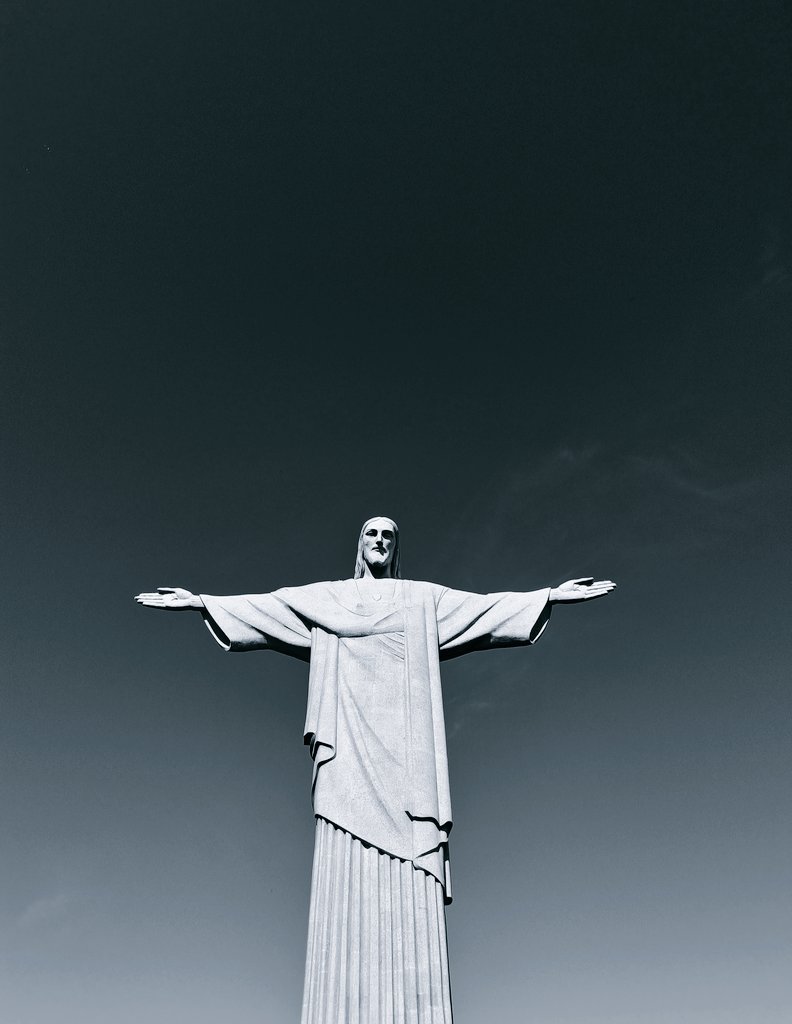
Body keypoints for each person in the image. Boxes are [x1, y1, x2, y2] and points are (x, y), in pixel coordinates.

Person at [135, 516, 615, 1024]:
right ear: (360, 545)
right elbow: (270, 606)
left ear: (396, 547)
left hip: (409, 764)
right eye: (372, 534)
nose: (381, 541)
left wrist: (550, 597)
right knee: (343, 865)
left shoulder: (420, 599)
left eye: (390, 535)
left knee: (412, 869)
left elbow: (484, 609)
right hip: (347, 754)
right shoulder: (326, 598)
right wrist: (201, 603)